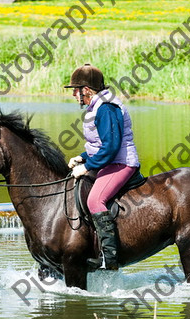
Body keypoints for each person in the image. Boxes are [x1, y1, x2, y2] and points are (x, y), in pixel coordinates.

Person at [64, 63, 140, 270]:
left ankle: (109, 258)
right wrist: (81, 157)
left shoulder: (106, 107)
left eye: (75, 90)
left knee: (95, 200)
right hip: (109, 160)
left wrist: (87, 166)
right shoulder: (97, 105)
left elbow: (112, 146)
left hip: (121, 162)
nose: (74, 95)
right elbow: (99, 144)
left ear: (86, 90)